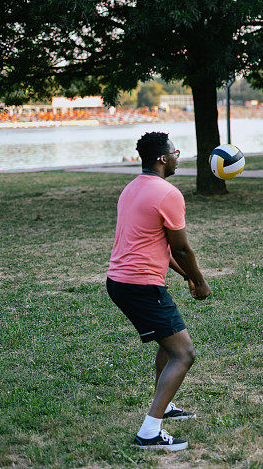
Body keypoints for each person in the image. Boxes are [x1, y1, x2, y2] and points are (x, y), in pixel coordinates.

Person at [107, 132, 211, 451]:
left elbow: (158, 247)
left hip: (122, 281)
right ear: (163, 159)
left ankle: (164, 407)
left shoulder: (132, 189)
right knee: (184, 352)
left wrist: (186, 279)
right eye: (175, 152)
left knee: (168, 343)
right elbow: (180, 249)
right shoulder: (167, 193)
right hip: (139, 285)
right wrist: (200, 281)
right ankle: (149, 432)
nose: (179, 156)